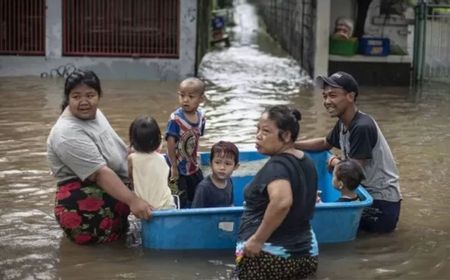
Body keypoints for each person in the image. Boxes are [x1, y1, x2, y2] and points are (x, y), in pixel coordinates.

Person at [47, 69, 152, 245]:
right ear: (67, 98)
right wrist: (134, 200)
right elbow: (100, 173)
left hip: (113, 198)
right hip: (85, 212)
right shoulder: (66, 133)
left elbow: (115, 149)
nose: (84, 102)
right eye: (76, 97)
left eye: (90, 95)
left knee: (120, 248)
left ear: (99, 95)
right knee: (105, 258)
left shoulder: (94, 114)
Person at [295, 71, 402, 233]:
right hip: (364, 194)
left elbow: (352, 172)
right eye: (324, 96)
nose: (327, 101)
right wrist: (292, 145)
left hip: (380, 202)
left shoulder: (361, 127)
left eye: (333, 95)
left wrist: (334, 162)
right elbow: (325, 143)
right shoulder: (344, 123)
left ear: (350, 96)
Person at [235, 105, 319, 280]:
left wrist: (258, 239)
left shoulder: (277, 166)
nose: (258, 136)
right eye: (257, 129)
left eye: (265, 131)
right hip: (307, 252)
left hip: (271, 255)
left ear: (286, 136)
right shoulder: (305, 160)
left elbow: (282, 202)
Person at [165, 77, 206, 208]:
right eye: (182, 96)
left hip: (193, 166)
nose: (185, 100)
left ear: (201, 99)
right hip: (178, 167)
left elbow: (196, 139)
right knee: (179, 199)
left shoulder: (201, 118)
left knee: (200, 193)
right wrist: (173, 167)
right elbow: (170, 143)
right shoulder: (175, 119)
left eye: (191, 96)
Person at [128, 116, 176, 210]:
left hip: (145, 208)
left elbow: (130, 177)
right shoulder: (162, 159)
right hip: (167, 205)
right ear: (157, 141)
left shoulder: (132, 159)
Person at [191, 141, 239, 208]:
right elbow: (195, 213)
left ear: (235, 167)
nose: (222, 167)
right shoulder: (203, 188)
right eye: (217, 162)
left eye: (227, 164)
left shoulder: (229, 181)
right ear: (210, 163)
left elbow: (230, 205)